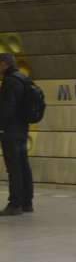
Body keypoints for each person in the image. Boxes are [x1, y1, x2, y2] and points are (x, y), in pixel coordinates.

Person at [0, 53, 34, 217]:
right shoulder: (22, 78)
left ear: (4, 64)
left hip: (10, 130)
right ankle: (27, 202)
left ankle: (15, 204)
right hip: (22, 128)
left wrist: (1, 126)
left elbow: (7, 107)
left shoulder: (10, 81)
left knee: (13, 168)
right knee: (23, 166)